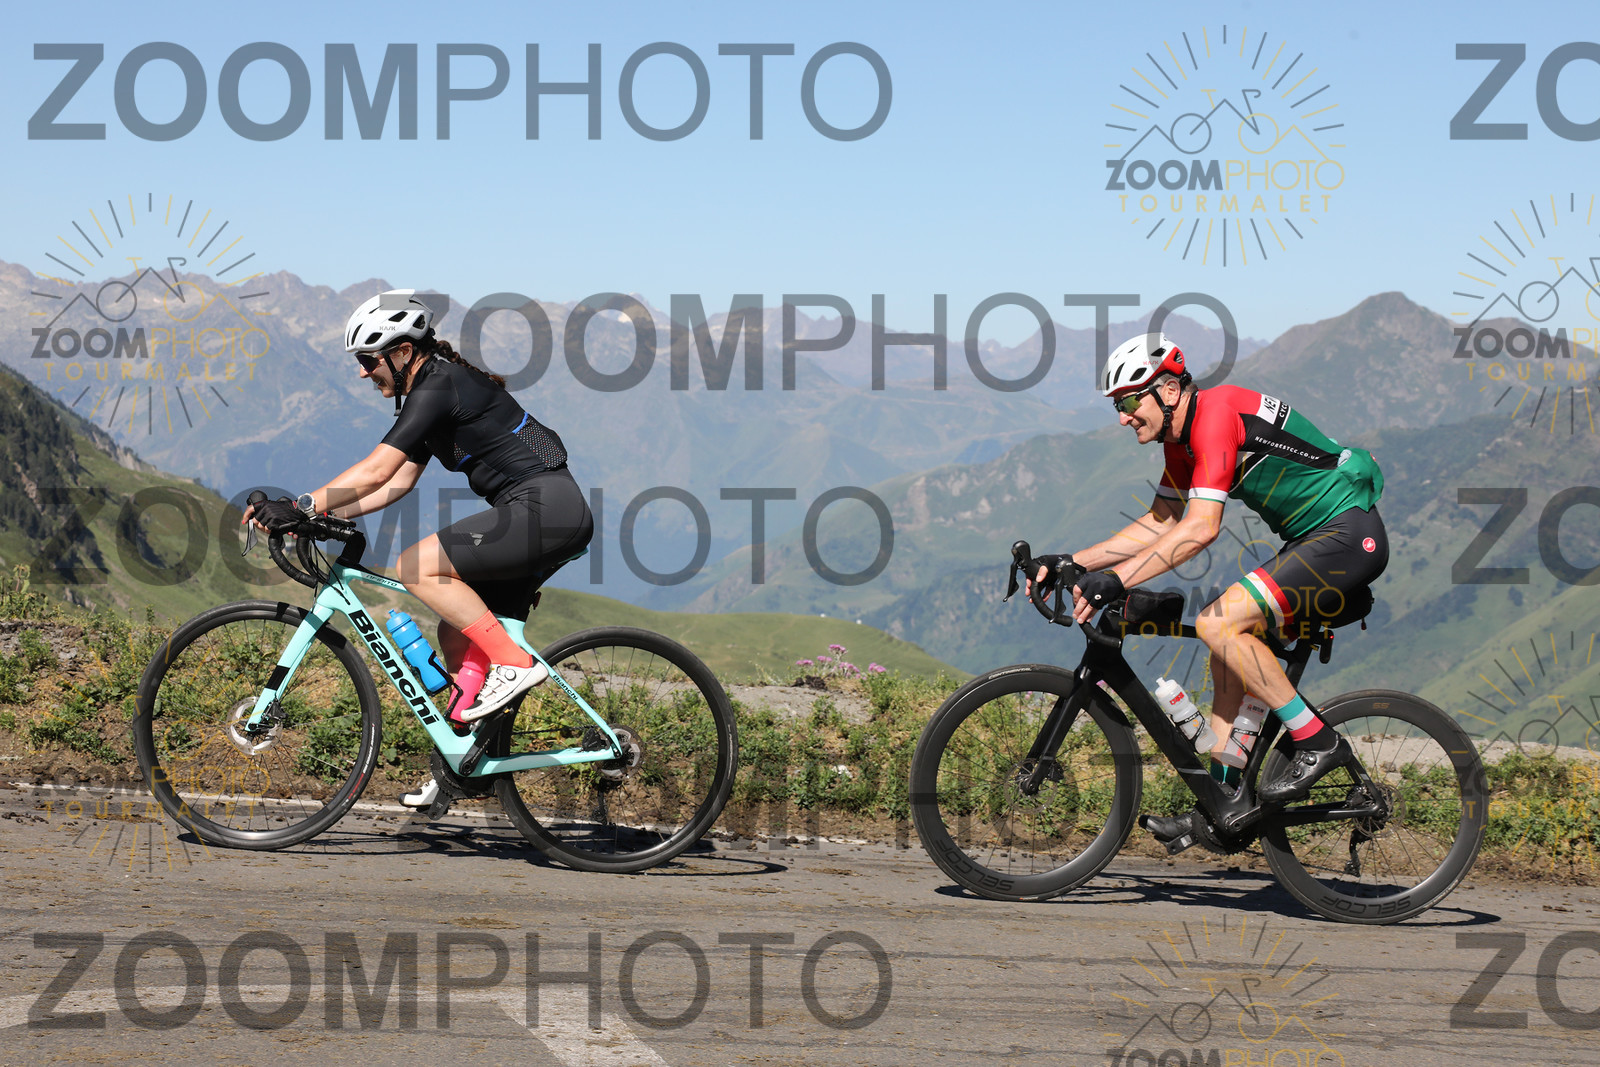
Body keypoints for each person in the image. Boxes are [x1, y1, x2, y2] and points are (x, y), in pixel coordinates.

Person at [1033, 333, 1387, 842]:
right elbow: (1161, 521)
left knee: (1217, 623)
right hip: (1314, 540)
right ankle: (1225, 800)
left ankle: (1317, 741)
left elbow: (1200, 529)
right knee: (1226, 649)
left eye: (1129, 402)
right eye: (1118, 406)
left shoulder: (1216, 416)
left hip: (1347, 536)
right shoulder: (1180, 442)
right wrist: (1072, 561)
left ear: (1168, 391)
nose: (1123, 418)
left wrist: (1118, 578)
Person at [246, 290, 593, 808]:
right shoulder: (431, 391)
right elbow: (397, 483)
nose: (363, 372)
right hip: (540, 512)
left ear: (403, 351)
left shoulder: (440, 384)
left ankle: (515, 664)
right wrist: (320, 516)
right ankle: (462, 760)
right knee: (455, 633)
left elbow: (375, 469)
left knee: (417, 566)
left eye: (369, 360)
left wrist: (302, 505)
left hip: (546, 509)